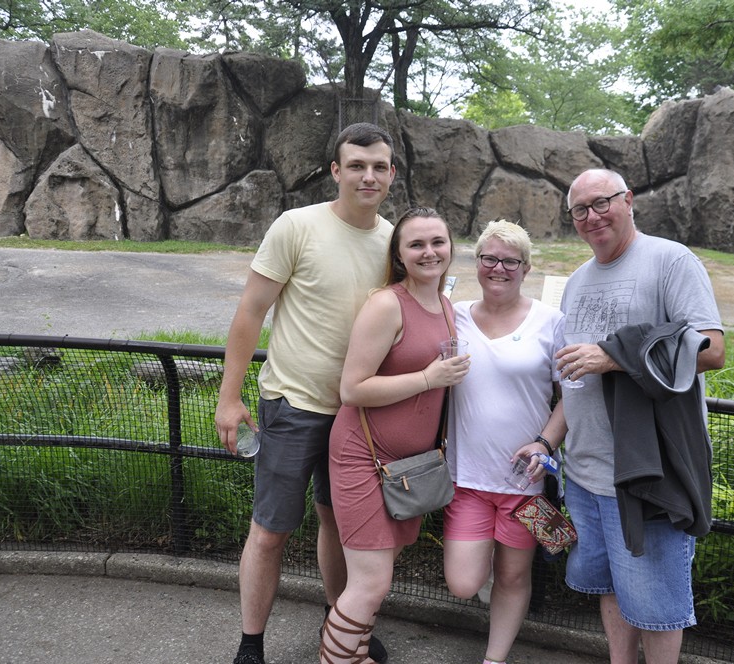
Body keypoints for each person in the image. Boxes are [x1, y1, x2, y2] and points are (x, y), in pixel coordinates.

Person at [214, 122, 397, 664]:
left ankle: (339, 625)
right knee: (270, 531)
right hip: (293, 406)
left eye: (380, 166)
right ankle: (251, 644)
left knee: (339, 524)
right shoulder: (296, 226)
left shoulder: (394, 241)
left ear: (391, 174)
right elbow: (250, 311)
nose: (369, 175)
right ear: (336, 171)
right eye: (357, 165)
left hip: (359, 415)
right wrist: (230, 396)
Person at [554, 168, 725, 664]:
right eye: (580, 210)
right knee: (611, 587)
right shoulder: (577, 281)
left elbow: (712, 350)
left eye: (602, 202)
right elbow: (572, 381)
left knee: (656, 604)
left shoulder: (670, 260)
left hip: (647, 472)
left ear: (628, 200)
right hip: (583, 474)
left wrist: (614, 357)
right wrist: (549, 444)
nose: (592, 216)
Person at [320, 207, 470, 664]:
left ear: (450, 248)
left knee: (377, 577)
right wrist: (428, 379)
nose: (429, 252)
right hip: (364, 457)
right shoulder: (387, 303)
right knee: (370, 582)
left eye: (437, 242)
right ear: (400, 255)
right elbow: (352, 389)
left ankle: (356, 654)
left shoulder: (444, 304)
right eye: (417, 244)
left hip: (407, 469)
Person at [441, 219, 567, 664]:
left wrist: (545, 443)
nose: (499, 268)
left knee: (514, 576)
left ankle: (494, 658)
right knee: (462, 582)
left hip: (525, 482)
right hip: (468, 477)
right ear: (477, 263)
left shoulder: (551, 322)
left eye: (510, 261)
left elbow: (570, 398)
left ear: (526, 267)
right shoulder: (451, 316)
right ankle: (485, 571)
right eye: (489, 258)